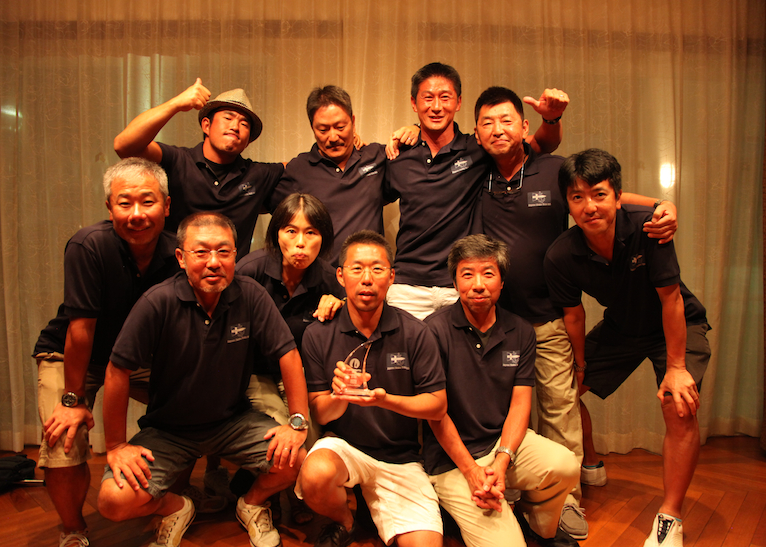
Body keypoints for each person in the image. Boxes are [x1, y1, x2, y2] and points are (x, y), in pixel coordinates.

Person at [471, 86, 679, 539]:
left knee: (560, 410)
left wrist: (662, 207)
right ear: (476, 133)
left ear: (524, 127)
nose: (498, 129)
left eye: (506, 120)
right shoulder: (474, 174)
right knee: (500, 411)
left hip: (548, 319)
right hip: (495, 325)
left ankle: (566, 503)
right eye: (487, 122)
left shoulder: (552, 170)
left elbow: (604, 196)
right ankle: (509, 492)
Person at [97, 212, 311, 547]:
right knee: (113, 500)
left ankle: (252, 503)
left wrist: (297, 421)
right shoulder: (157, 301)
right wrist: (115, 446)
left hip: (233, 421)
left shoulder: (250, 295)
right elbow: (117, 369)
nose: (213, 262)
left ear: (235, 255)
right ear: (181, 257)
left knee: (299, 460)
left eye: (223, 252)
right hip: (169, 429)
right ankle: (177, 507)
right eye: (201, 252)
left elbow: (288, 354)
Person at [543, 149, 710, 547]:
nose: (589, 206)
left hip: (676, 324)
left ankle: (670, 515)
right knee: (565, 393)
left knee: (678, 404)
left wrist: (676, 368)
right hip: (621, 327)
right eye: (577, 197)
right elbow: (574, 317)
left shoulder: (648, 227)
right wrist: (579, 366)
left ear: (618, 196)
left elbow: (671, 299)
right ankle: (591, 461)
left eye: (599, 194)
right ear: (567, 203)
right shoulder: (561, 254)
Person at [32, 157, 179, 547]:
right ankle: (72, 529)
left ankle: (171, 498)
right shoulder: (89, 245)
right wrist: (72, 398)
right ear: (109, 207)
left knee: (188, 410)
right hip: (74, 356)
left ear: (166, 205)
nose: (136, 214)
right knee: (64, 437)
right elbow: (81, 330)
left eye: (147, 201)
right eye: (124, 203)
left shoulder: (178, 252)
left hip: (139, 359)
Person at [424, 234, 580, 547]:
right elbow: (436, 414)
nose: (478, 285)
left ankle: (539, 526)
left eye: (488, 274)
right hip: (452, 460)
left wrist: (501, 462)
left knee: (565, 466)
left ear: (502, 282)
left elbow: (520, 405)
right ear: (454, 282)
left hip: (500, 446)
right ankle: (458, 508)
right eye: (467, 274)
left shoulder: (520, 331)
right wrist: (472, 471)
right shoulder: (432, 330)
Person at [296, 230, 448, 547]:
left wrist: (384, 400)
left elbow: (437, 406)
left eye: (377, 269)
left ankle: (373, 508)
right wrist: (339, 395)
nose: (367, 279)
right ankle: (346, 521)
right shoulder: (318, 334)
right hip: (345, 448)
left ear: (391, 277)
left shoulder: (415, 332)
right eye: (357, 268)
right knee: (315, 474)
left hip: (401, 458)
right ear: (341, 276)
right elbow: (320, 413)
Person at [383, 62, 568, 320]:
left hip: (461, 285)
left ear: (458, 102)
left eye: (445, 97)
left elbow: (539, 144)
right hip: (407, 287)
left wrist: (551, 119)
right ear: (414, 103)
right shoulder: (398, 155)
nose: (436, 106)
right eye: (428, 98)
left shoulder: (479, 148)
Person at [234, 192, 345, 522]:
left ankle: (294, 496)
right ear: (276, 233)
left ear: (324, 237)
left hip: (302, 377)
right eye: (291, 231)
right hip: (255, 375)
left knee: (310, 443)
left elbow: (349, 328)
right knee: (283, 436)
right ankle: (263, 498)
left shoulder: (328, 278)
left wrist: (339, 306)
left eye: (311, 233)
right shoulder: (250, 271)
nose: (300, 243)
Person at [114, 79, 283, 256]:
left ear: (248, 141)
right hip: (177, 270)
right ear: (206, 126)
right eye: (228, 118)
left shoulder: (258, 174)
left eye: (244, 124)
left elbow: (298, 168)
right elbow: (124, 146)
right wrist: (176, 104)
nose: (235, 126)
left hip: (232, 272)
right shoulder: (178, 160)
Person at [274, 86, 389, 263]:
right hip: (320, 275)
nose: (333, 137)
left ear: (353, 122)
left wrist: (414, 128)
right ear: (312, 128)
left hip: (366, 271)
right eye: (323, 130)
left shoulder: (376, 157)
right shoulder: (298, 169)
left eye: (340, 127)